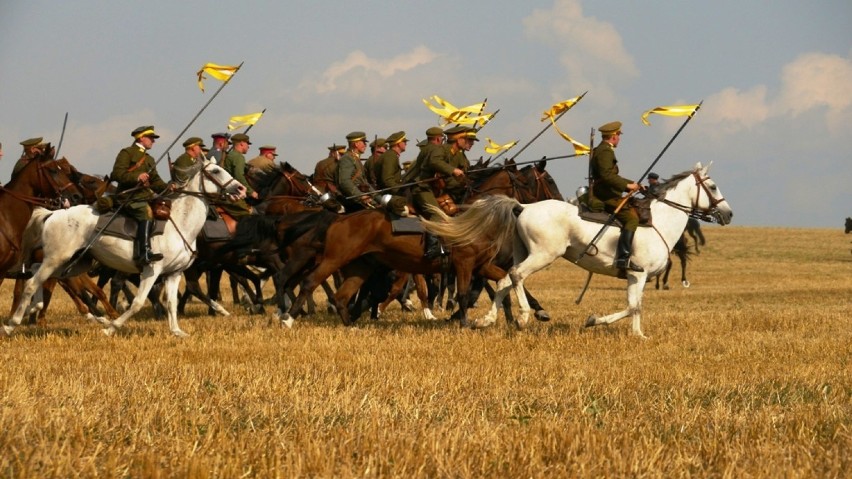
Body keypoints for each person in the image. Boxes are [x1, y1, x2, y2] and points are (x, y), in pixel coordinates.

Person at [413, 125, 475, 258]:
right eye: (465, 138)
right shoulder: (441, 149)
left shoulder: (454, 153)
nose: (468, 141)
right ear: (458, 140)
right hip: (422, 187)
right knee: (438, 214)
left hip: (435, 189)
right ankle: (432, 248)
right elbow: (434, 162)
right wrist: (453, 170)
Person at [111, 126, 169, 265]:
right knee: (146, 212)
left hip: (145, 196)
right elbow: (117, 174)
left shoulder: (149, 158)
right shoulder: (127, 153)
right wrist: (137, 177)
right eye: (151, 138)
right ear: (141, 138)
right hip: (129, 197)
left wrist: (169, 187)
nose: (153, 142)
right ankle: (144, 252)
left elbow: (155, 181)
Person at [590, 121, 644, 273]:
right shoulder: (606, 151)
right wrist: (627, 186)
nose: (619, 138)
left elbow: (612, 176)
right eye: (619, 135)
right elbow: (606, 176)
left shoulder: (602, 149)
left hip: (607, 191)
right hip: (607, 196)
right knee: (632, 219)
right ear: (613, 136)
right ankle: (623, 258)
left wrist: (633, 183)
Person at [335, 131, 375, 211]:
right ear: (356, 144)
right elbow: (344, 181)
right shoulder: (347, 158)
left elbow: (364, 182)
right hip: (352, 201)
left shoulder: (355, 158)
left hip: (359, 197)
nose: (365, 145)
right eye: (363, 142)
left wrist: (378, 196)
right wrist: (360, 196)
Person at [219, 133, 255, 216]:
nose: (248, 146)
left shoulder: (231, 155)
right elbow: (239, 176)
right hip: (233, 192)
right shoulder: (238, 157)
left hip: (226, 190)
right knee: (247, 213)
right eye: (247, 143)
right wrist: (251, 192)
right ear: (242, 143)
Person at [377, 131, 410, 216]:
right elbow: (387, 180)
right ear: (398, 144)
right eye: (404, 142)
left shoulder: (392, 155)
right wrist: (400, 191)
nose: (406, 144)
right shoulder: (390, 156)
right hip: (389, 195)